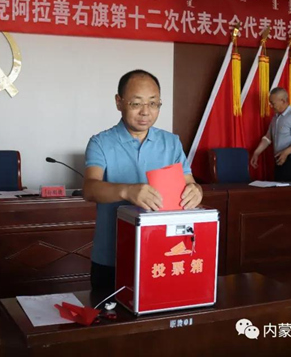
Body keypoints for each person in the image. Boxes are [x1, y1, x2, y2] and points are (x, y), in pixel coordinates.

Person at [83, 69, 203, 292]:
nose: (145, 111)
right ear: (119, 102)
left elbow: (189, 182)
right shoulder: (101, 142)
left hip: (164, 254)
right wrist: (127, 191)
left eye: (153, 103)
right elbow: (90, 188)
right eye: (136, 103)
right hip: (113, 257)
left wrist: (196, 190)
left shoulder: (171, 142)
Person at [250, 87, 291, 182]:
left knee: (285, 188)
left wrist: (285, 153)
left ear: (283, 101)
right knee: (278, 186)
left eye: (273, 103)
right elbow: (268, 138)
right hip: (279, 159)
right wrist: (256, 153)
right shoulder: (275, 118)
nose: (271, 106)